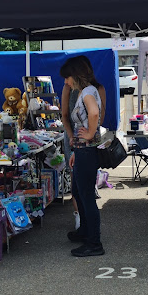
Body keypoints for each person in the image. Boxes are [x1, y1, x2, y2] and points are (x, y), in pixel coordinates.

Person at [60, 57, 105, 257]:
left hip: (87, 150)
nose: (66, 82)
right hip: (82, 151)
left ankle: (94, 243)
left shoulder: (87, 92)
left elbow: (94, 113)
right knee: (78, 192)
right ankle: (85, 233)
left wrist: (89, 134)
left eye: (67, 78)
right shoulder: (88, 91)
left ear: (75, 75)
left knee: (86, 197)